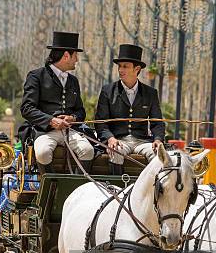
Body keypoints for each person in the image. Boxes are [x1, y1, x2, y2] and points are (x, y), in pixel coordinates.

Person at [20, 31, 94, 174]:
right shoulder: (36, 76)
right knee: (42, 152)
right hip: (45, 131)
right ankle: (51, 188)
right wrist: (51, 120)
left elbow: (81, 111)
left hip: (70, 131)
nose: (77, 60)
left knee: (88, 151)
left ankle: (76, 189)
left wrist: (73, 118)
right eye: (75, 55)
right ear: (66, 56)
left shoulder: (74, 81)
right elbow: (27, 108)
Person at [94, 43, 165, 174]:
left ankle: (153, 191)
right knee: (116, 151)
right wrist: (110, 138)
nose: (121, 70)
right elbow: (100, 122)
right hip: (119, 140)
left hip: (142, 141)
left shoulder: (151, 93)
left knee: (157, 155)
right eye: (119, 66)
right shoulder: (107, 91)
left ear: (137, 69)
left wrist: (158, 139)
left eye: (125, 66)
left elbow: (157, 122)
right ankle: (117, 189)